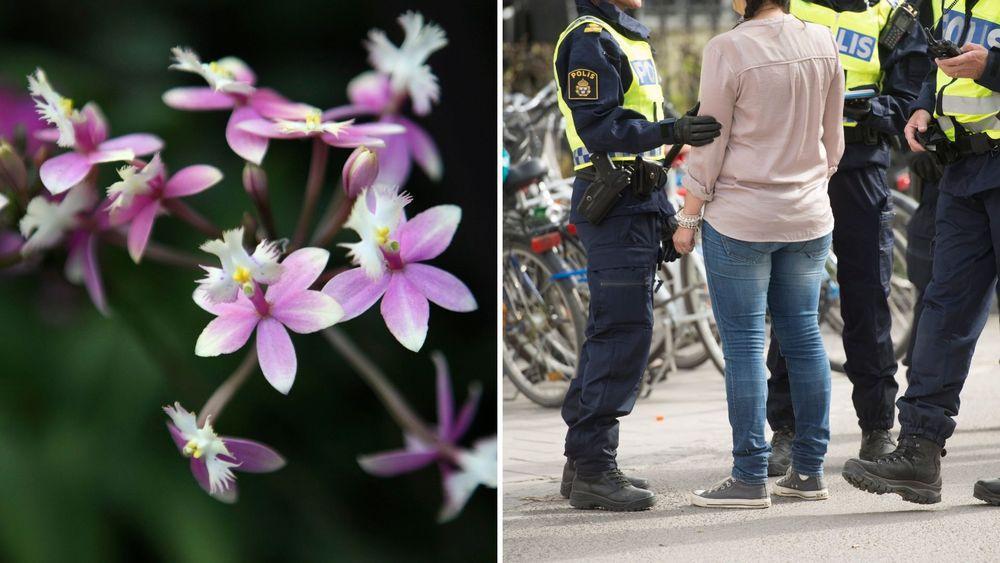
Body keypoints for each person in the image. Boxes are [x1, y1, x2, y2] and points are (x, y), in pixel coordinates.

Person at [674, 0, 845, 508]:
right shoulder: (822, 41)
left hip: (742, 217)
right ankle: (810, 472)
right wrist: (808, 183)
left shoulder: (726, 48)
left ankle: (750, 476)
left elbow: (709, 141)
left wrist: (688, 216)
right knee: (805, 337)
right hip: (809, 213)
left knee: (746, 345)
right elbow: (833, 141)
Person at [554, 0, 722, 511]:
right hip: (614, 201)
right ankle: (594, 468)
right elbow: (599, 128)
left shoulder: (626, 36)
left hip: (639, 198)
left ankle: (583, 461)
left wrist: (665, 210)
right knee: (621, 332)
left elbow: (640, 139)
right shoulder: (590, 39)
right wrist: (672, 130)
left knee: (617, 329)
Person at [765, 0, 933, 477]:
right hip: (797, 171)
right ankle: (787, 430)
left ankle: (878, 428)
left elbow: (911, 99)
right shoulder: (787, 7)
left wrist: (864, 106)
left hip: (860, 170)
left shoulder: (891, 17)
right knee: (793, 302)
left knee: (867, 301)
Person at [842, 0, 1000, 507]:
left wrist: (992, 67)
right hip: (961, 170)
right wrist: (925, 104)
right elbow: (943, 67)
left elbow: (981, 67)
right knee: (944, 309)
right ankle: (919, 451)